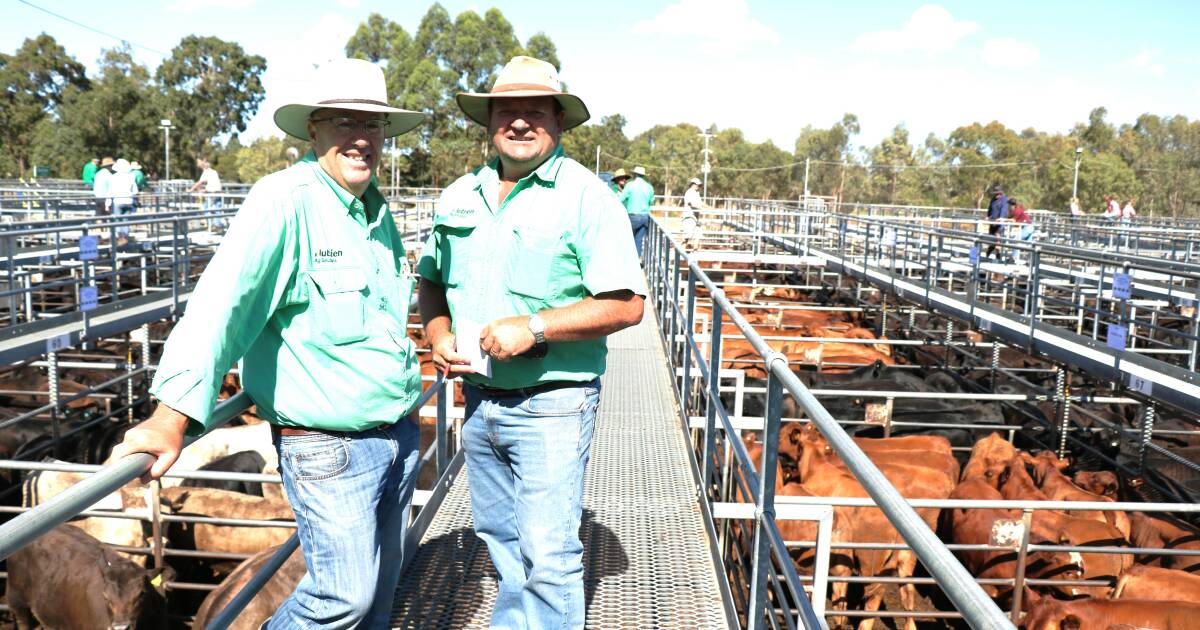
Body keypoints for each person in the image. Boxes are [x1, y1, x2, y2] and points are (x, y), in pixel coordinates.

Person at [110, 58, 428, 628]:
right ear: (313, 129)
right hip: (331, 449)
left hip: (396, 437)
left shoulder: (377, 213)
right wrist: (171, 414)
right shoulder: (285, 200)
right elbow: (222, 306)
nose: (362, 138)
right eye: (343, 122)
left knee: (380, 598)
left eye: (373, 125)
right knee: (343, 599)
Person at [416, 55, 644, 630]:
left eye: (535, 112)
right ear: (488, 122)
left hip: (553, 403)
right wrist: (438, 331)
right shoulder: (458, 196)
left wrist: (535, 325)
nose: (520, 123)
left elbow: (627, 304)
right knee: (499, 535)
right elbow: (432, 281)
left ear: (559, 122)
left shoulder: (588, 198)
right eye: (508, 112)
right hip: (480, 398)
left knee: (547, 553)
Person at [621, 165, 655, 258]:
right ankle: (637, 259)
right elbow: (652, 201)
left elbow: (621, 198)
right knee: (639, 239)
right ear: (643, 175)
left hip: (633, 216)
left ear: (635, 174)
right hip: (644, 216)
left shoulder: (630, 185)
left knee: (628, 238)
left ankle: (627, 258)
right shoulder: (649, 187)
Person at [108, 159, 139, 244]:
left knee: (116, 220)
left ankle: (118, 237)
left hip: (117, 200)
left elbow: (110, 191)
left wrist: (108, 203)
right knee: (126, 220)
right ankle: (125, 237)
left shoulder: (113, 177)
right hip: (128, 200)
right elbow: (135, 191)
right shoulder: (131, 176)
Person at [189, 158, 224, 229]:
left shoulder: (206, 172)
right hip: (218, 192)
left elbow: (200, 182)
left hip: (213, 193)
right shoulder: (214, 171)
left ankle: (213, 225)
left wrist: (191, 189)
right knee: (217, 208)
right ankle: (219, 225)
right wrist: (206, 189)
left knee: (206, 208)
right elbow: (213, 183)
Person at [984, 184, 1008, 260]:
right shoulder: (993, 200)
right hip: (992, 223)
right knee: (992, 242)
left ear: (1001, 193)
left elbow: (1003, 210)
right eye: (995, 194)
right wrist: (988, 216)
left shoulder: (1004, 200)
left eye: (998, 193)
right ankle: (987, 255)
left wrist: (1001, 218)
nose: (996, 195)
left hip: (999, 225)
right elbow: (990, 210)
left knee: (998, 241)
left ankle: (998, 258)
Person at [1008, 197, 1033, 263]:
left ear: (1012, 205)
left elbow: (1013, 220)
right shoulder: (1015, 210)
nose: (1009, 207)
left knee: (1016, 239)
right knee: (1028, 245)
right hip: (1029, 227)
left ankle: (1014, 258)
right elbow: (1010, 218)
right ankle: (1030, 260)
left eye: (1010, 205)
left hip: (1027, 227)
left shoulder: (1017, 210)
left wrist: (1003, 220)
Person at [682, 176, 704, 248]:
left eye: (699, 185)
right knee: (687, 236)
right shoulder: (689, 192)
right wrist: (700, 208)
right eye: (697, 185)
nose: (698, 186)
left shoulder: (696, 193)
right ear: (693, 184)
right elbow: (691, 204)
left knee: (698, 235)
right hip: (690, 217)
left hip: (696, 217)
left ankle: (695, 252)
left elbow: (701, 203)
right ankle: (680, 252)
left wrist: (710, 208)